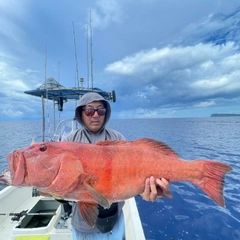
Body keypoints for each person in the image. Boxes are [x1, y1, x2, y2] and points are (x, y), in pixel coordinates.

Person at [62, 92, 171, 240]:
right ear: (81, 113)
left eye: (100, 110)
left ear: (106, 113)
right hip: (82, 227)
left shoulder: (117, 138)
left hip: (114, 223)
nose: (95, 115)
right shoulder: (69, 141)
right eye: (89, 110)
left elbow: (131, 173)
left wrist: (144, 192)